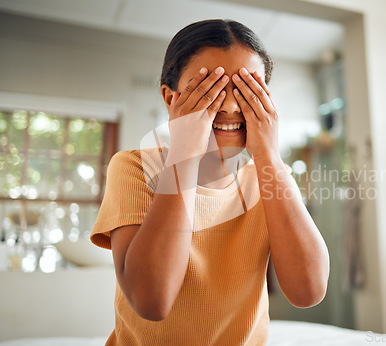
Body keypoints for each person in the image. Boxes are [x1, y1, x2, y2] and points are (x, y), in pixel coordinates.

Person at [90, 19, 329, 345]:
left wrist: (269, 155)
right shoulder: (134, 168)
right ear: (170, 98)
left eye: (246, 91)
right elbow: (151, 301)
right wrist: (185, 151)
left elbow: (308, 291)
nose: (230, 106)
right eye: (210, 90)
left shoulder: (269, 176)